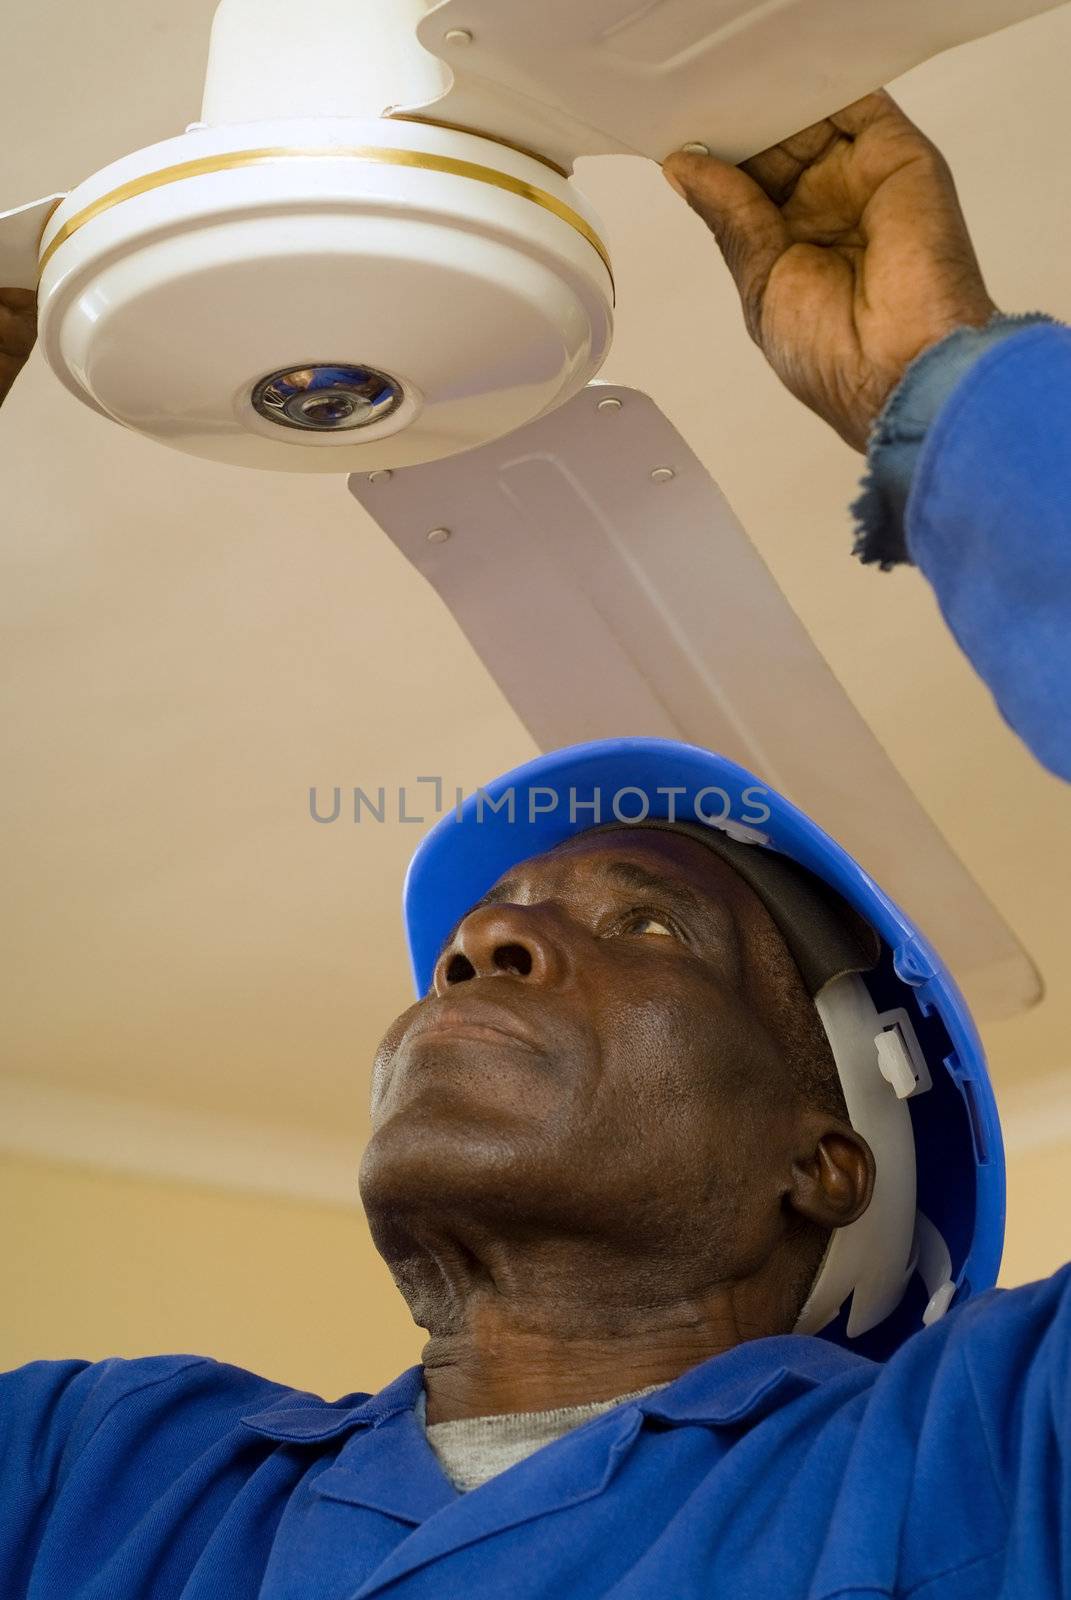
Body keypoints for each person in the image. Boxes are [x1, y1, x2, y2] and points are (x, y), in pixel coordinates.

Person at [1, 89, 1069, 1600]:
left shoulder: (982, 1461)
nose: (482, 948)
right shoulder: (100, 1480)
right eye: (482, 934)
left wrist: (949, 398)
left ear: (825, 1161)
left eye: (648, 931)